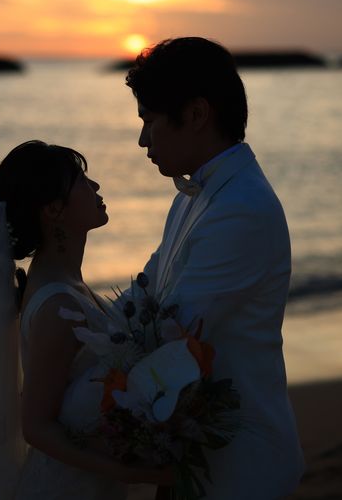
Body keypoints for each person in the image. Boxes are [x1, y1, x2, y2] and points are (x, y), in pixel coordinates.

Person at [124, 37, 305, 499]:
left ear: (197, 114)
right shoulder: (194, 197)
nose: (143, 139)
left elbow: (171, 334)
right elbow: (142, 296)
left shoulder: (241, 208)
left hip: (241, 467)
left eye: (149, 120)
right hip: (196, 457)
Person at [0, 140, 172, 500]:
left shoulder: (68, 285)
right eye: (83, 181)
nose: (96, 186)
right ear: (54, 210)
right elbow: (36, 428)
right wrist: (130, 471)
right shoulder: (58, 306)